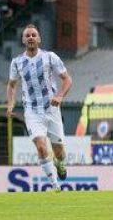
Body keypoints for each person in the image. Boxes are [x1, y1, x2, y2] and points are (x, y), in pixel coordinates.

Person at [6, 24, 73, 191]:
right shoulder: (17, 62)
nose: (30, 38)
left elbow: (67, 79)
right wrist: (11, 103)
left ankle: (60, 165)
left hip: (52, 110)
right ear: (23, 40)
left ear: (39, 39)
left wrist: (59, 96)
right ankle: (55, 185)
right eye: (27, 35)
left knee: (59, 152)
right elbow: (12, 85)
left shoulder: (50, 57)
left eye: (33, 35)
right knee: (41, 145)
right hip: (32, 111)